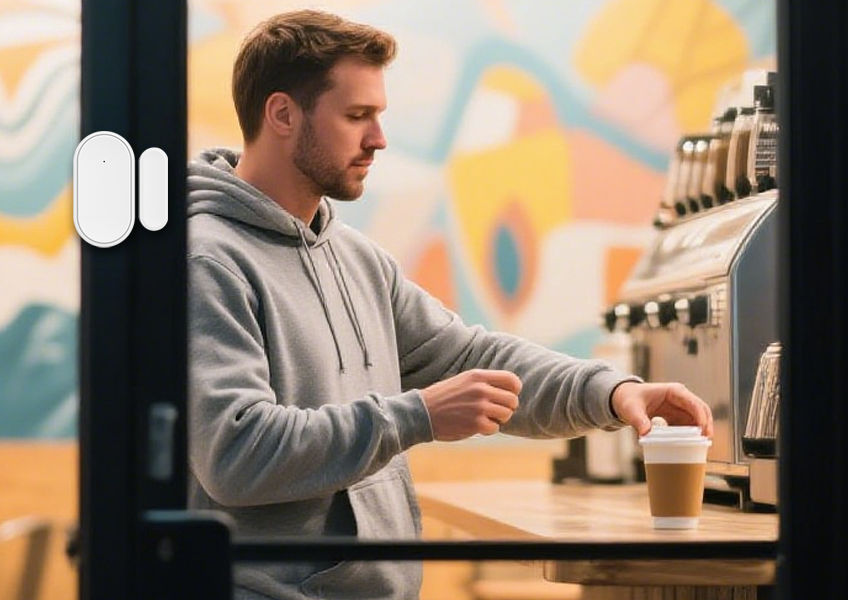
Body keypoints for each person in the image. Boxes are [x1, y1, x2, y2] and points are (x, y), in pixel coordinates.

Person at [187, 9, 714, 600]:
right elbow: (236, 453)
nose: (378, 138)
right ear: (283, 114)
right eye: (357, 116)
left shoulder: (358, 259)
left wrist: (612, 393)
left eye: (379, 115)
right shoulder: (208, 260)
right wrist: (417, 416)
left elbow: (471, 357)